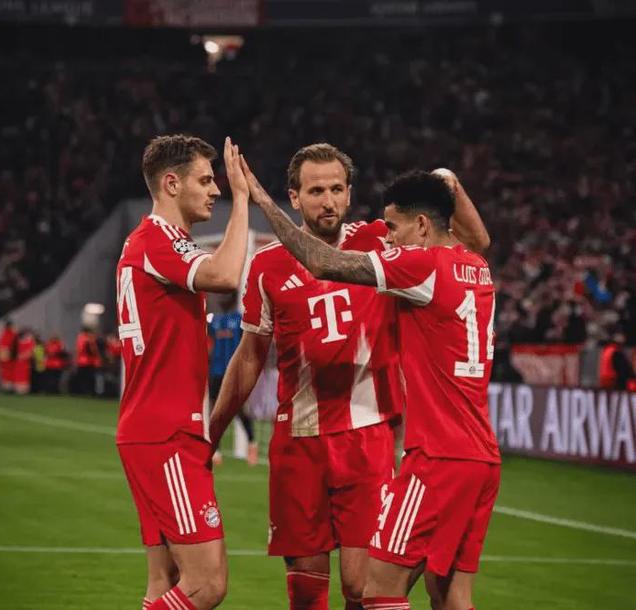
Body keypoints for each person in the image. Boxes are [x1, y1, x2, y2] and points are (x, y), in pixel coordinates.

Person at [210, 144, 489, 610]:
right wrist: (213, 431)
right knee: (305, 592)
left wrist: (448, 184)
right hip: (299, 442)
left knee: (362, 588)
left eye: (337, 189)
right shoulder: (267, 265)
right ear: (295, 197)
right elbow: (250, 356)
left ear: (350, 192)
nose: (329, 201)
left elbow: (473, 242)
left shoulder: (382, 239)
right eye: (316, 191)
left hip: (367, 439)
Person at [116, 134, 249, 610]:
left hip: (154, 430)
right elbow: (225, 276)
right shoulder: (158, 240)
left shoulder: (151, 243)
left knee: (164, 582)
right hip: (166, 433)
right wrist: (243, 202)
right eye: (206, 180)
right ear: (172, 184)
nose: (216, 190)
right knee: (206, 584)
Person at [207, 291, 258, 466]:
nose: (222, 299)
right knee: (215, 410)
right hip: (216, 371)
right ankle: (216, 450)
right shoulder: (214, 320)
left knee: (239, 409)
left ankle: (251, 442)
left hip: (234, 372)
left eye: (226, 296)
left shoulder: (240, 320)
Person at [0, 320, 17, 392]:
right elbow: (0, 346)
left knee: (9, 372)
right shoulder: (5, 334)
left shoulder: (10, 334)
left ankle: (9, 387)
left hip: (9, 356)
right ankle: (7, 388)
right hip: (6, 356)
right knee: (6, 372)